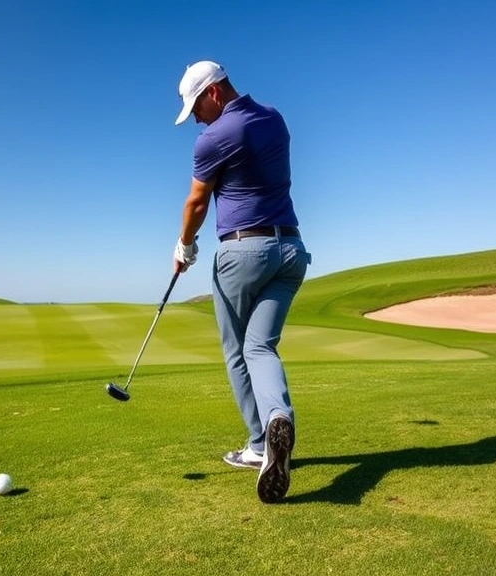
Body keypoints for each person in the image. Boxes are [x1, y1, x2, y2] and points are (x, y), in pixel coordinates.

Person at [172, 60, 311, 504]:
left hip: (242, 251)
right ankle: (277, 420)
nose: (194, 117)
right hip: (290, 251)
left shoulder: (214, 137)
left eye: (195, 106)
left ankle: (257, 445)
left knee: (236, 350)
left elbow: (197, 201)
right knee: (261, 346)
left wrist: (184, 247)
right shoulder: (275, 118)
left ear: (213, 92)